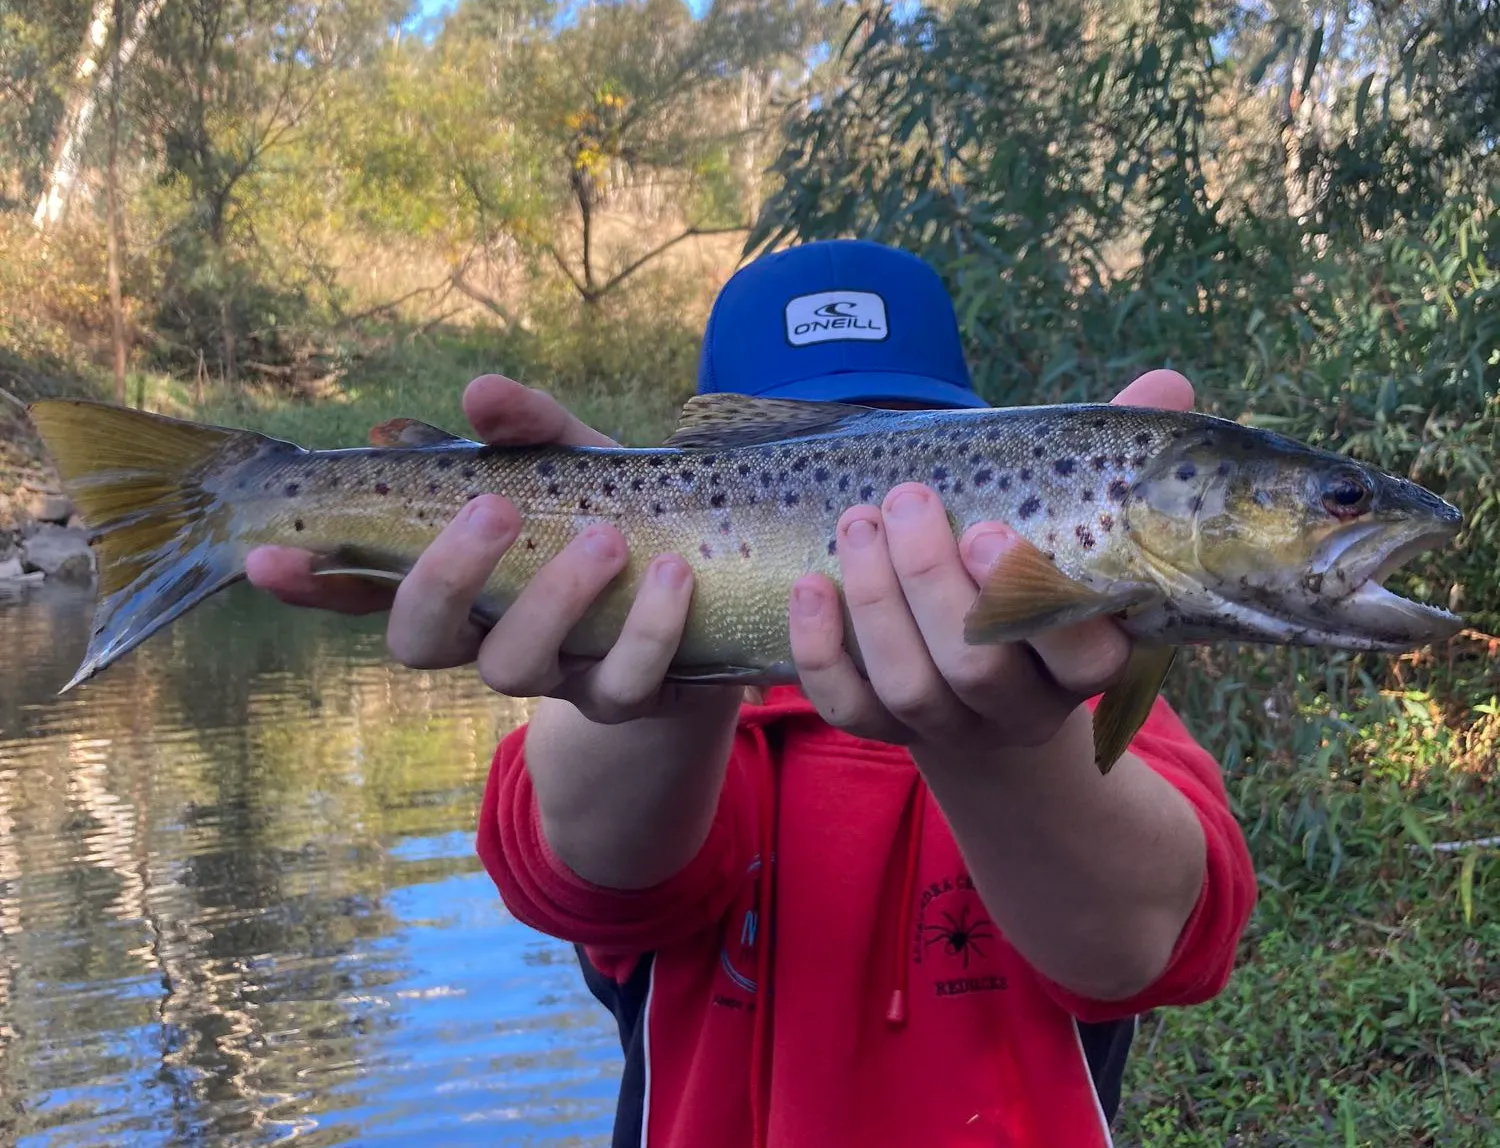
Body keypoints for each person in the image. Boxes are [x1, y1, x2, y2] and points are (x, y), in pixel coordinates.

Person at [247, 239, 1257, 1148]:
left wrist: (994, 737)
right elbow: (586, 871)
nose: (872, 525)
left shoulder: (1083, 695)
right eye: (825, 466)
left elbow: (1142, 944)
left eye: (907, 468)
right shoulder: (665, 733)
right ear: (705, 457)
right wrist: (660, 676)